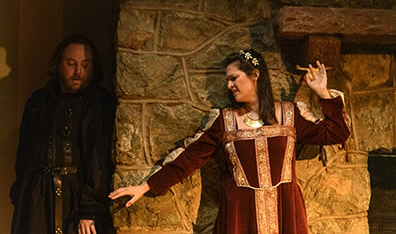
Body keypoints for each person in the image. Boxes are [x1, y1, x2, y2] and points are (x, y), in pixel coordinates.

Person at [109, 49, 350, 234]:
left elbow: (337, 133)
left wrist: (322, 93)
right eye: (227, 79)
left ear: (255, 75)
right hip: (239, 216)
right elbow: (189, 156)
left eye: (234, 77)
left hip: (285, 211)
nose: (229, 85)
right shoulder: (224, 122)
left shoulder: (290, 115)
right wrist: (146, 186)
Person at [9, 35, 116, 234]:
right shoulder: (39, 101)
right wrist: (22, 192)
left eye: (85, 65)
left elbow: (98, 160)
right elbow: (23, 154)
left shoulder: (97, 103)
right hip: (35, 200)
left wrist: (89, 211)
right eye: (71, 64)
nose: (78, 72)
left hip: (73, 199)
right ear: (58, 64)